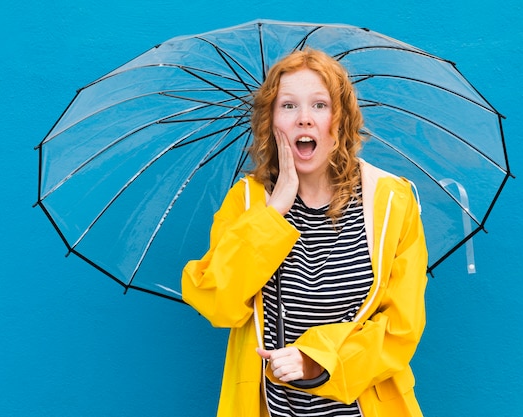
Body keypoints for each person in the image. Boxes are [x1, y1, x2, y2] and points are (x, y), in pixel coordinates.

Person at [181, 48, 428, 417]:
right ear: (271, 121)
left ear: (341, 120)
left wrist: (314, 359)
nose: (304, 120)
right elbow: (218, 303)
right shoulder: (248, 201)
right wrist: (274, 211)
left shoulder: (392, 201)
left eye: (319, 105)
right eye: (289, 106)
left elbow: (401, 327)